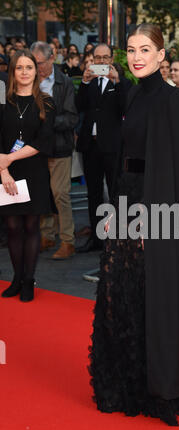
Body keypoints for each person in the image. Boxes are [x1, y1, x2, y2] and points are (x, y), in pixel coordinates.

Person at [88, 24, 179, 426]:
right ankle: (128, 380)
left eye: (146, 49)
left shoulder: (175, 99)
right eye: (131, 49)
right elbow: (128, 156)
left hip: (156, 211)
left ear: (162, 56)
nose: (137, 56)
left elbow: (177, 167)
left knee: (152, 292)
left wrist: (155, 221)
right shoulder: (134, 93)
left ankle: (161, 384)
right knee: (120, 289)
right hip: (124, 200)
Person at [0, 50, 55, 301]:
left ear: (36, 71)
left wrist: (9, 158)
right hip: (6, 174)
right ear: (12, 72)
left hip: (34, 171)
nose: (24, 72)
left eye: (29, 67)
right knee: (12, 226)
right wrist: (3, 170)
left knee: (32, 225)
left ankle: (29, 280)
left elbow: (43, 141)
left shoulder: (47, 102)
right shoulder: (3, 102)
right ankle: (16, 278)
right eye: (19, 67)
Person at [75, 43, 132, 253]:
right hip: (91, 146)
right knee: (94, 193)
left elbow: (125, 106)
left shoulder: (121, 82)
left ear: (111, 58)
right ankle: (97, 238)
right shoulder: (88, 82)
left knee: (116, 192)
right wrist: (83, 81)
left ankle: (116, 238)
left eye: (104, 58)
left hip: (112, 146)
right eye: (97, 58)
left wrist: (116, 81)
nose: (100, 62)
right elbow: (78, 105)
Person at [30, 41, 78, 260]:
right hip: (36, 149)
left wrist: (45, 123)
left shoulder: (64, 83)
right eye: (33, 63)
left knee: (61, 194)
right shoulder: (28, 81)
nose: (36, 68)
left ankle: (67, 240)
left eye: (39, 63)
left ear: (52, 59)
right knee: (42, 193)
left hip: (59, 147)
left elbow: (71, 118)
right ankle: (46, 235)